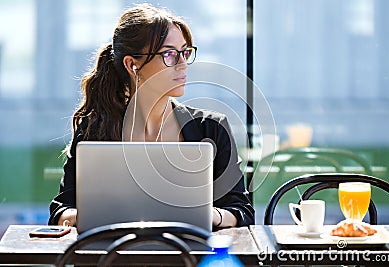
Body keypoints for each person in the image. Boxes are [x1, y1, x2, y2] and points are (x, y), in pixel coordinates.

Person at [48, 3, 254, 229]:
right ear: (132, 65)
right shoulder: (96, 128)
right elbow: (61, 210)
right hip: (112, 256)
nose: (183, 64)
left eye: (185, 52)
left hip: (189, 258)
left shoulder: (212, 128)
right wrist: (96, 217)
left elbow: (242, 211)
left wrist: (210, 215)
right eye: (169, 54)